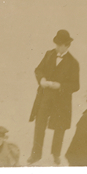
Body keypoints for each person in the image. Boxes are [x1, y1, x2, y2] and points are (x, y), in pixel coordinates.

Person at [29, 29, 80, 165]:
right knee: (39, 125)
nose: (57, 47)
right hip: (45, 97)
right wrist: (42, 79)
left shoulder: (73, 63)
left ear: (67, 45)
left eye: (60, 44)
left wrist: (60, 86)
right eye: (56, 43)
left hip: (61, 101)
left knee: (59, 128)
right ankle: (35, 155)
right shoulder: (49, 54)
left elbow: (76, 85)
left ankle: (56, 154)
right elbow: (38, 69)